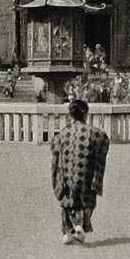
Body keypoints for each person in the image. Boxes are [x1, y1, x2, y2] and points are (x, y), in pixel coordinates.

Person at [50, 99, 110, 245]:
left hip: (67, 175)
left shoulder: (61, 134)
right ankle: (81, 226)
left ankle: (68, 230)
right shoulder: (96, 134)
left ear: (70, 115)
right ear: (85, 114)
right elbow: (103, 149)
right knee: (87, 199)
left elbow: (54, 151)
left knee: (67, 200)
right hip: (87, 175)